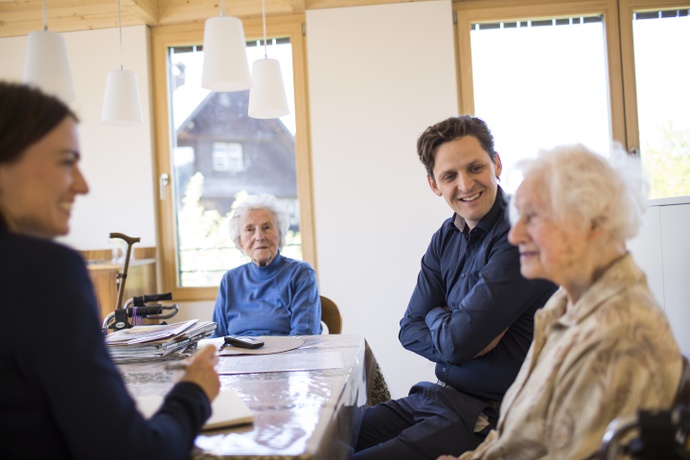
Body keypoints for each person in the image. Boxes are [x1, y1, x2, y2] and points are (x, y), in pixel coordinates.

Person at [0, 81, 220, 460]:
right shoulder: (44, 273)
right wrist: (194, 392)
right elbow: (134, 453)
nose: (83, 185)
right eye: (66, 161)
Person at [438, 143, 682, 460]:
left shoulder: (618, 336)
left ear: (594, 221)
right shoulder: (564, 306)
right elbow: (517, 434)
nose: (514, 236)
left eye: (532, 217)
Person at [354, 116, 558, 459]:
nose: (466, 184)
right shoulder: (444, 238)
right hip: (436, 396)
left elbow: (459, 342)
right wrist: (449, 325)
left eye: (475, 168)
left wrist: (440, 321)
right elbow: (408, 329)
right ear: (434, 184)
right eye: (450, 176)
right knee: (327, 441)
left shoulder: (521, 236)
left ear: (496, 164)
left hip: (489, 416)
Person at [211, 193, 322, 337]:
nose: (259, 237)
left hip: (287, 351)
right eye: (249, 229)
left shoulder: (301, 274)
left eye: (266, 227)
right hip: (237, 352)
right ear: (240, 241)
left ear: (279, 235)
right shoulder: (230, 280)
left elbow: (304, 336)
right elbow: (217, 338)